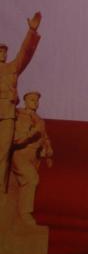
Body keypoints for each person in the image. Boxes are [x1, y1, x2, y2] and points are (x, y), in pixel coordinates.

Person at [0, 11, 41, 194]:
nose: (2, 53)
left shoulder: (11, 68)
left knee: (3, 153)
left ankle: (0, 192)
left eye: (4, 51)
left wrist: (31, 32)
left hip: (7, 115)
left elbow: (25, 54)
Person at [8, 90, 52, 226]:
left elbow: (45, 137)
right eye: (32, 100)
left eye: (37, 100)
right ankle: (25, 213)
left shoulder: (39, 120)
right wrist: (32, 134)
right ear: (25, 101)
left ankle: (15, 215)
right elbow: (15, 137)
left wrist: (48, 150)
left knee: (23, 185)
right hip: (20, 153)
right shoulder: (18, 115)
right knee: (31, 179)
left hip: (33, 157)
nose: (35, 103)